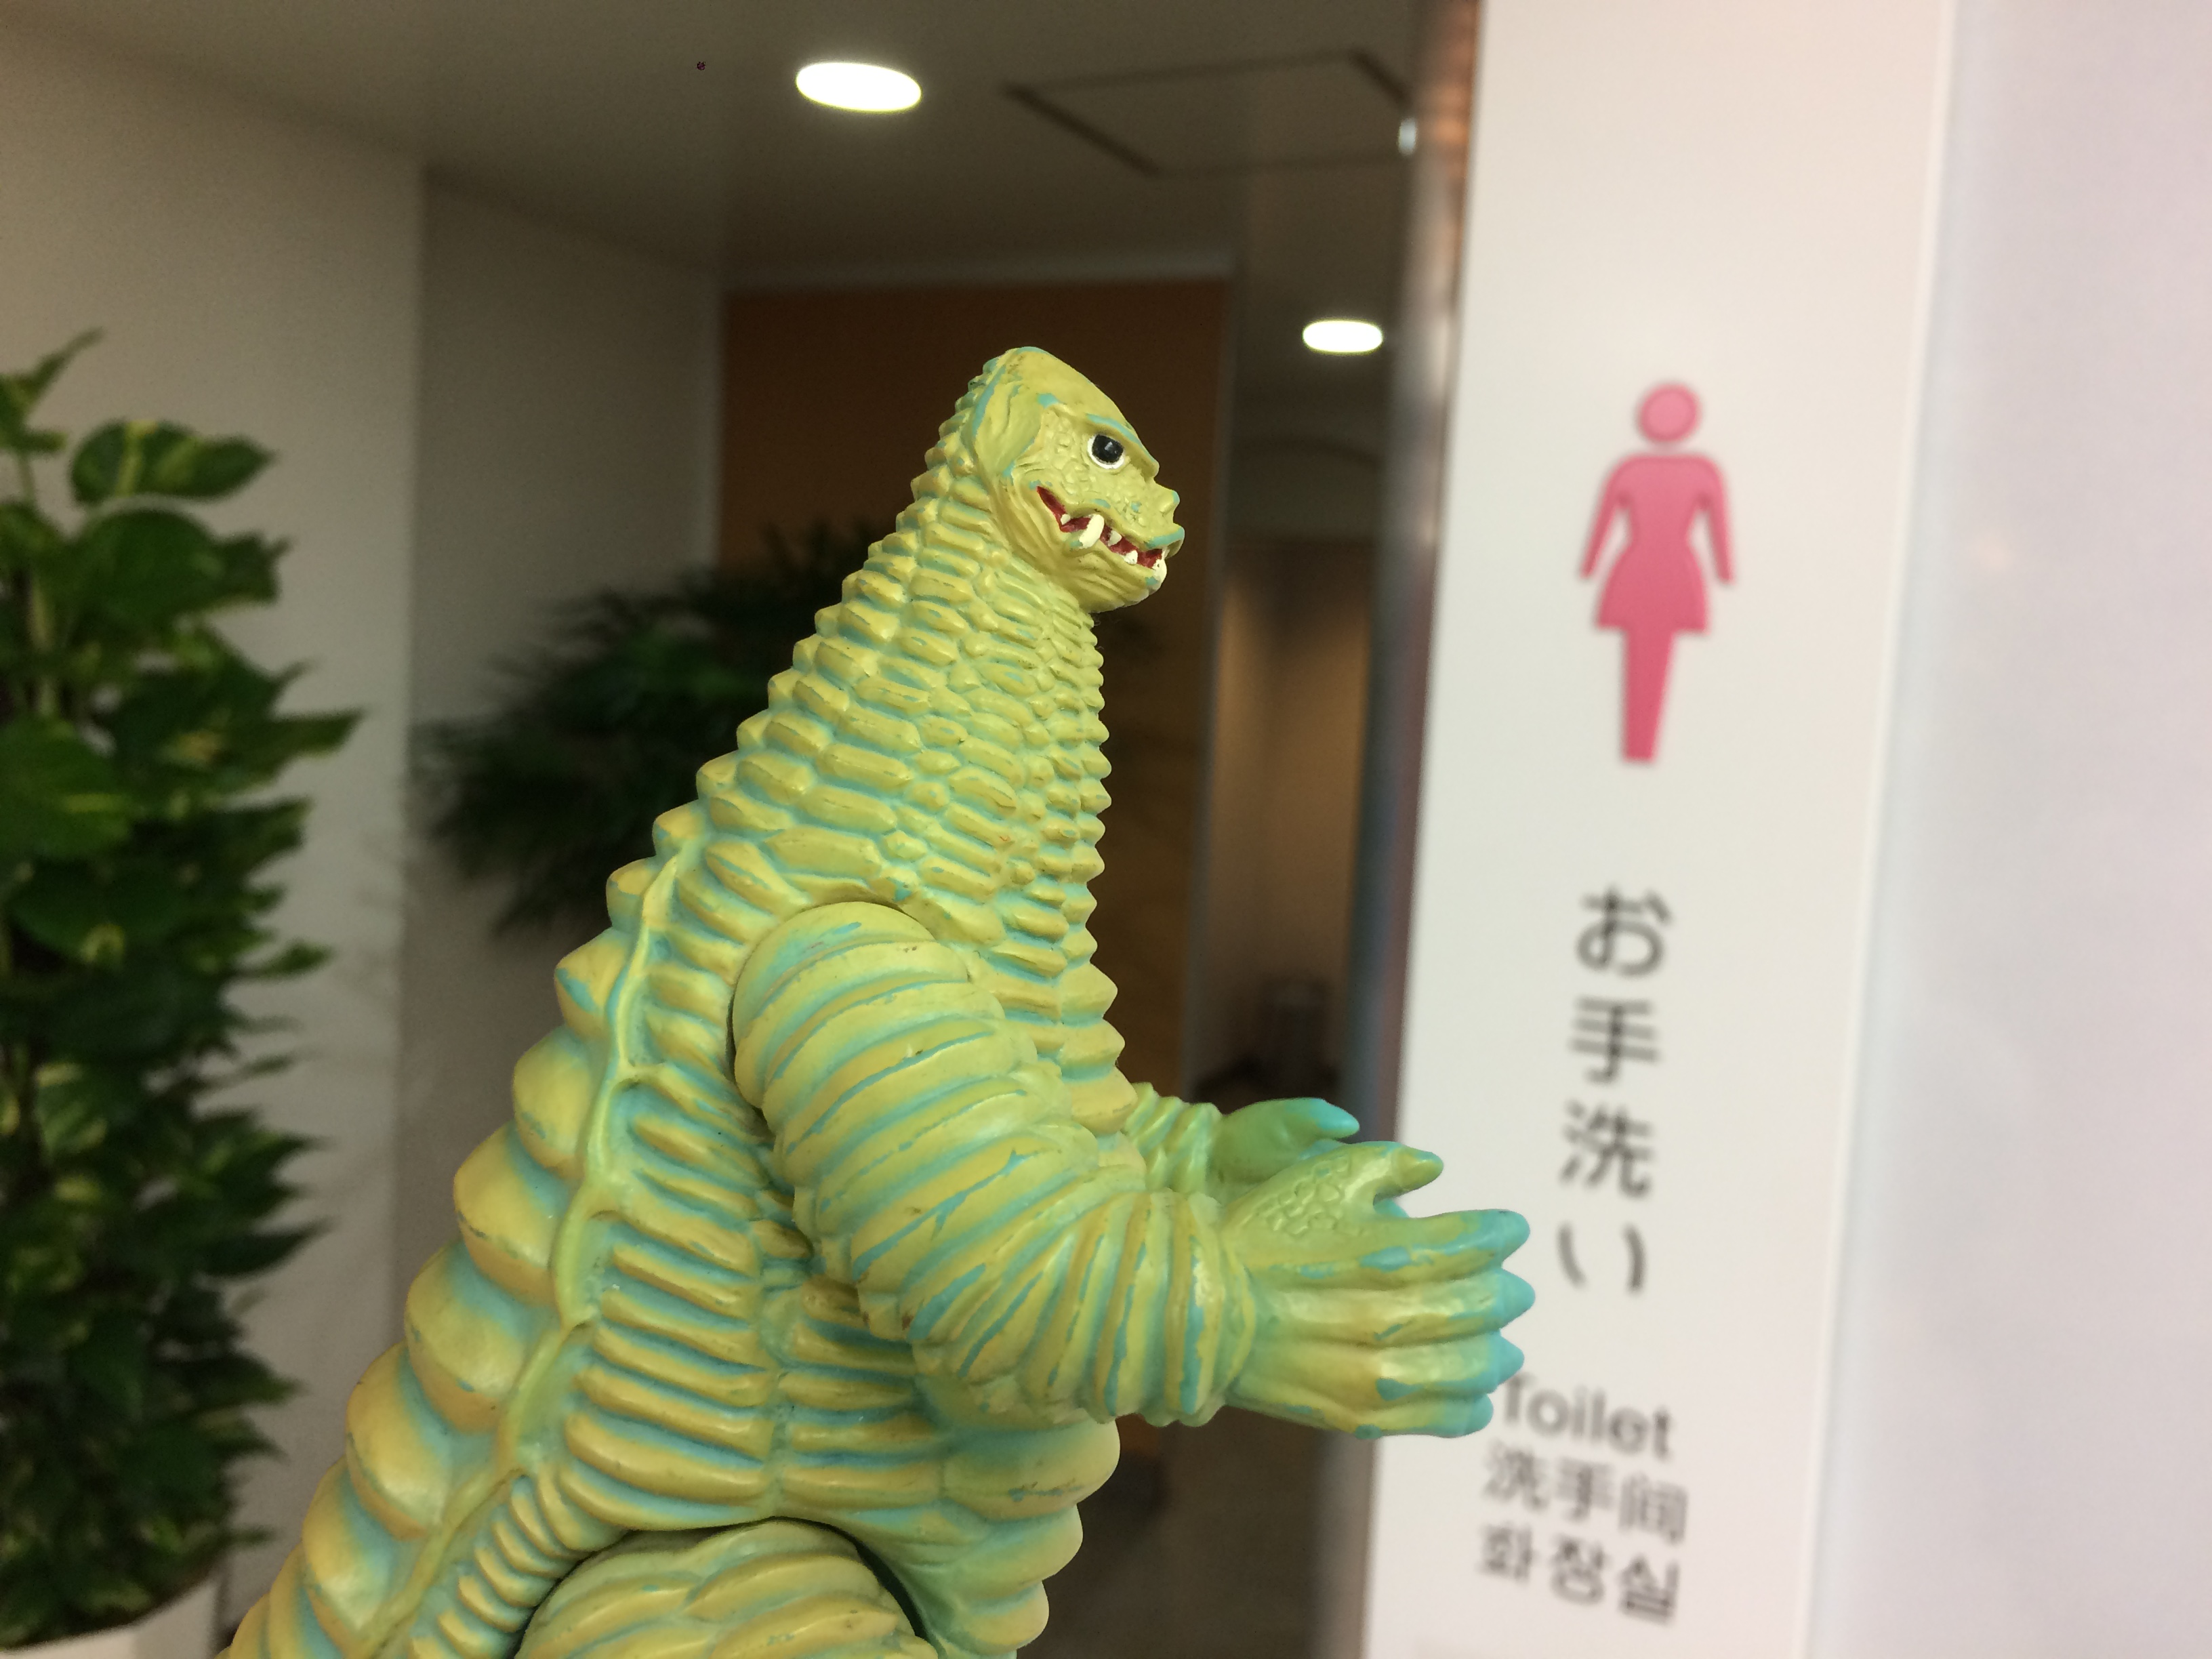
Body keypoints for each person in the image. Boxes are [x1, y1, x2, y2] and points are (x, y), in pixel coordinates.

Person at [1579, 384, 1732, 762]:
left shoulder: (1631, 470)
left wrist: (1591, 565)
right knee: (1648, 656)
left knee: (1648, 656)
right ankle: (1638, 746)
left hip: (1640, 566)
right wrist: (1723, 571)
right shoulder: (1700, 472)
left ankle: (1640, 746)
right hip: (1673, 569)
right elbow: (1720, 536)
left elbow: (1601, 532)